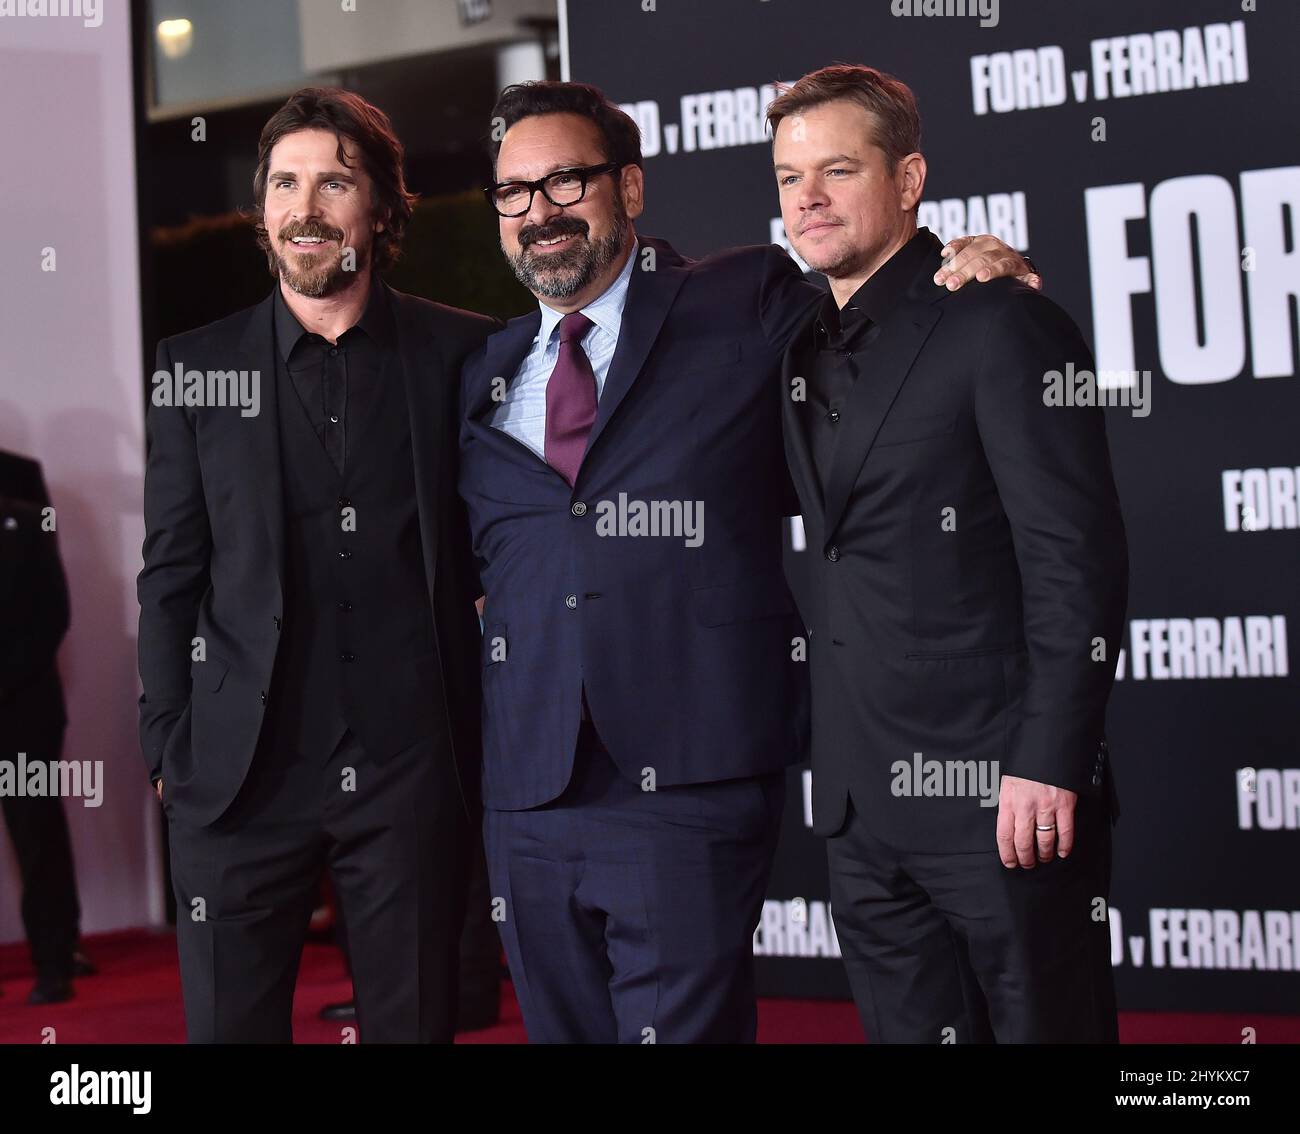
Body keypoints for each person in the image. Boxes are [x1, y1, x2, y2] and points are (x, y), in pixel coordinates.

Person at [458, 79, 1035, 1043]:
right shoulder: (482, 368)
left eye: (566, 180)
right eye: (514, 192)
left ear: (630, 189)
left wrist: (970, 262)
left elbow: (880, 316)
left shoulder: (742, 297)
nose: (539, 211)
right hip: (526, 788)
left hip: (684, 772)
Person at [769, 64, 1127, 1043]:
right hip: (858, 806)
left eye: (837, 169)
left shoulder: (1001, 320)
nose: (807, 197)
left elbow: (1075, 559)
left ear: (909, 177)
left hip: (1003, 800)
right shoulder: (792, 344)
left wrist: (1049, 761)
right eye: (789, 176)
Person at [137, 88, 492, 1042]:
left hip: (407, 771)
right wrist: (166, 743)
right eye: (285, 183)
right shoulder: (194, 367)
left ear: (380, 206)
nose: (306, 206)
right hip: (234, 773)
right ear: (262, 211)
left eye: (334, 181)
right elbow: (169, 574)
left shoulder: (463, 353)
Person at [0, 450, 88, 1005]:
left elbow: (52, 609)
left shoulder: (24, 502)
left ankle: (56, 958)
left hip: (23, 703)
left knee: (36, 833)